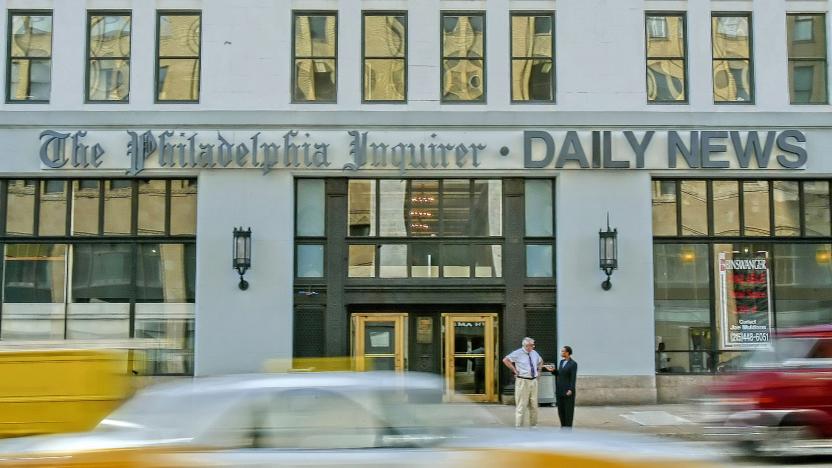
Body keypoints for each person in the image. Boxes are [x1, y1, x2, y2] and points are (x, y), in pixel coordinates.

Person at [502, 337, 543, 428]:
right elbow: (505, 360)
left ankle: (534, 425)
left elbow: (541, 361)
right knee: (521, 405)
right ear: (526, 345)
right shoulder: (517, 353)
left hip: (533, 381)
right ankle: (519, 426)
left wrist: (539, 371)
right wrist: (514, 370)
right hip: (523, 381)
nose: (533, 346)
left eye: (533, 345)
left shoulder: (534, 353)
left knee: (534, 404)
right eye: (532, 345)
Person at [546, 345, 577, 428]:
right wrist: (553, 371)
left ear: (567, 353)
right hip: (560, 390)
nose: (562, 352)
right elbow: (559, 374)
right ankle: (563, 427)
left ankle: (568, 428)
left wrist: (571, 389)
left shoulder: (573, 364)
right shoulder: (561, 362)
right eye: (562, 351)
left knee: (568, 411)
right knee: (561, 410)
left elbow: (573, 378)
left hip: (568, 391)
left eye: (563, 351)